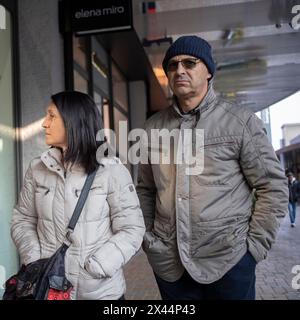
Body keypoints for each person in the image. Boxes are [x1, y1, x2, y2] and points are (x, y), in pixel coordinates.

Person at [136, 35, 288, 300]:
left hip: (230, 263)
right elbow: (145, 190)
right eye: (172, 65)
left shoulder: (239, 122)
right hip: (171, 267)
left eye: (189, 63)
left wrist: (253, 249)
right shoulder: (152, 128)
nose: (179, 70)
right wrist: (149, 241)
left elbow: (272, 187)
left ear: (208, 71)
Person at [11, 91, 145, 300]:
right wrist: (34, 258)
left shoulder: (112, 170)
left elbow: (132, 229)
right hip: (48, 289)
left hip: (99, 293)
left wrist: (98, 265)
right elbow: (23, 219)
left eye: (51, 116)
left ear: (73, 121)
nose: (44, 123)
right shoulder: (37, 169)